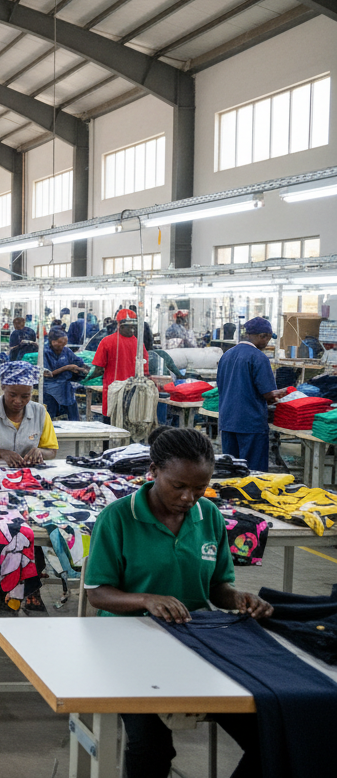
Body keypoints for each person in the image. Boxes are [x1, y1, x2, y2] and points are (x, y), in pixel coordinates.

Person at [84, 426, 271, 778]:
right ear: (153, 471)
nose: (189, 497)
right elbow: (98, 592)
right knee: (152, 746)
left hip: (196, 640)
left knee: (274, 735)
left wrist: (239, 598)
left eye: (200, 488)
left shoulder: (209, 517)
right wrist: (146, 600)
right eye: (179, 486)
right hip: (125, 644)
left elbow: (218, 586)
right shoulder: (120, 517)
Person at [216, 316, 287, 471]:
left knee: (230, 469)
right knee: (253, 472)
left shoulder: (226, 355)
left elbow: (222, 387)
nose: (268, 343)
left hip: (228, 420)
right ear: (263, 336)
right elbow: (268, 394)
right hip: (250, 423)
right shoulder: (259, 357)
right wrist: (285, 392)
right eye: (268, 339)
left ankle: (230, 496)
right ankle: (252, 496)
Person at [0, 361, 58, 466]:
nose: (18, 401)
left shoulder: (40, 412)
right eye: (12, 395)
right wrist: (1, 453)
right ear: (3, 387)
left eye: (25, 396)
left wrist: (40, 452)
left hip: (28, 475)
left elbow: (52, 451)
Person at [89, 309, 144, 417]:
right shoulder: (138, 344)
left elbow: (99, 369)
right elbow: (145, 369)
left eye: (134, 327)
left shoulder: (107, 341)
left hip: (113, 389)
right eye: (131, 327)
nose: (132, 330)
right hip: (133, 390)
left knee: (111, 421)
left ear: (118, 324)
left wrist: (86, 378)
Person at [42, 329, 87, 421]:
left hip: (65, 388)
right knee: (50, 418)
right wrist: (67, 367)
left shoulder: (66, 351)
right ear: (53, 342)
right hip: (50, 389)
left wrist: (81, 369)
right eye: (61, 342)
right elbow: (46, 374)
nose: (64, 345)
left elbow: (78, 362)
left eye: (65, 343)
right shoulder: (44, 352)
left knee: (72, 418)